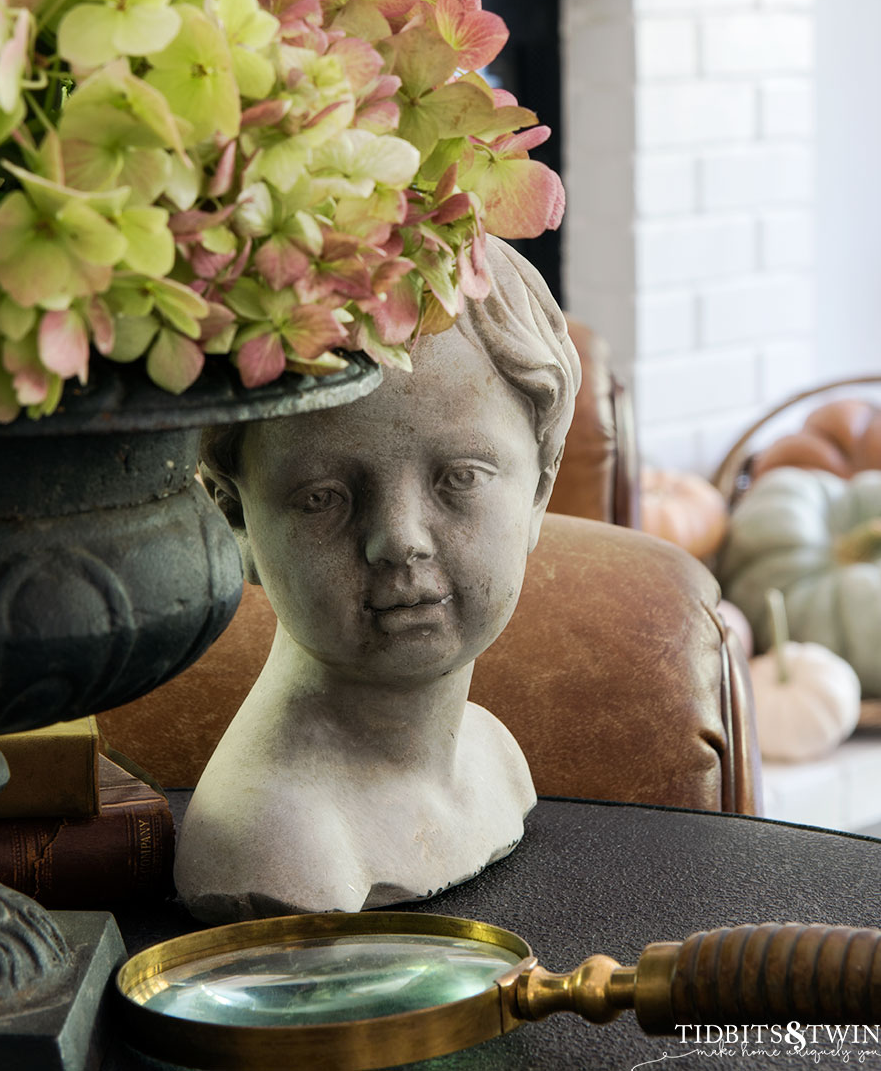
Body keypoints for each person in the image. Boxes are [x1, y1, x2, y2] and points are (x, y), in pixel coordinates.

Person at [174, 239, 580, 921]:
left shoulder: (494, 758)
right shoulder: (272, 844)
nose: (400, 539)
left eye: (461, 478)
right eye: (323, 496)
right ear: (233, 516)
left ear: (539, 490)